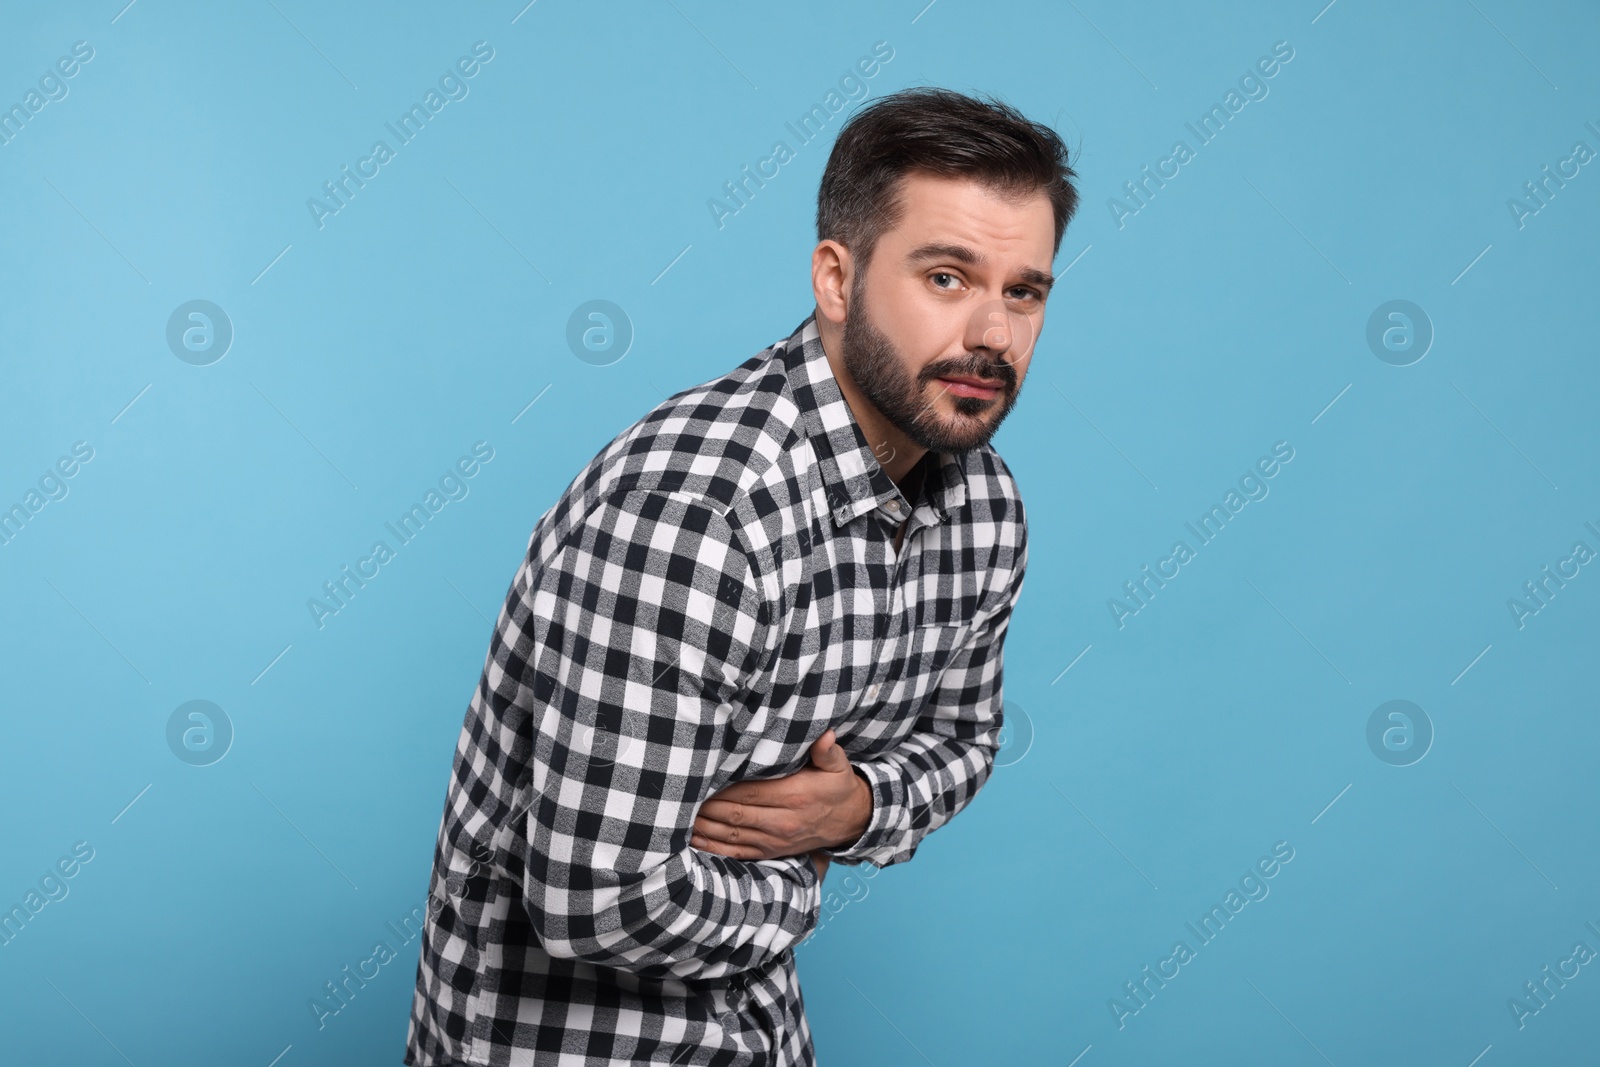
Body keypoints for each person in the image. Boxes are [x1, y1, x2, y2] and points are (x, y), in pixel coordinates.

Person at [405, 86, 1079, 1067]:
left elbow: (964, 739)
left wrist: (862, 807)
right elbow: (591, 897)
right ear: (836, 279)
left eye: (1024, 290)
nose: (993, 331)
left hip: (758, 1032)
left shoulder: (984, 507)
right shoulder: (697, 516)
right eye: (946, 276)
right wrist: (796, 886)